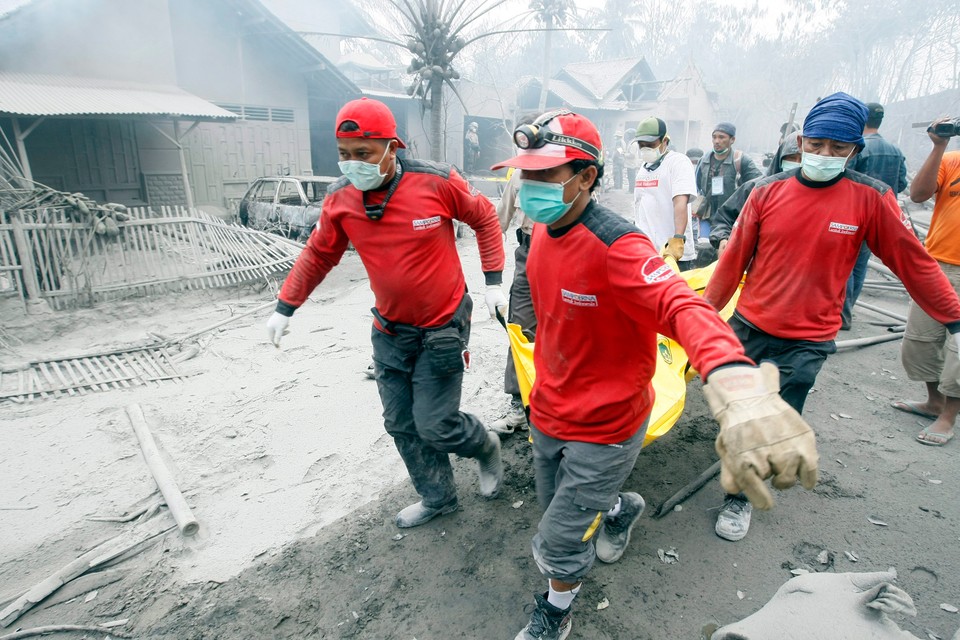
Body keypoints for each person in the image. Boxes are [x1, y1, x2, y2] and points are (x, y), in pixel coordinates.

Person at [492, 109, 820, 640]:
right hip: (550, 410)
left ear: (587, 177)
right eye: (524, 174)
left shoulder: (620, 247)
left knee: (556, 539)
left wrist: (734, 379)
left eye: (544, 175)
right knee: (559, 504)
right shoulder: (542, 236)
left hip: (608, 422)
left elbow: (681, 308)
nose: (528, 187)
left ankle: (556, 611)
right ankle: (620, 507)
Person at [704, 92, 960, 542]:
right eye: (817, 145)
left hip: (810, 335)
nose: (825, 155)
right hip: (751, 324)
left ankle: (740, 496)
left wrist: (954, 319)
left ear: (854, 149)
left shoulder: (871, 198)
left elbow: (913, 262)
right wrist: (703, 321)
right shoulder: (767, 191)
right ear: (802, 140)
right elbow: (732, 262)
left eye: (838, 149)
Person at [265, 97, 508, 529]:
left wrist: (493, 282)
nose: (352, 163)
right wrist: (286, 306)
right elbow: (319, 255)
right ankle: (439, 497)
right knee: (400, 423)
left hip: (443, 326)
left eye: (364, 154)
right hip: (390, 330)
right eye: (344, 154)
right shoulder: (341, 200)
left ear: (392, 148)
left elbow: (486, 218)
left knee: (435, 424)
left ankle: (484, 444)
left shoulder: (436, 181)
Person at [893, 117, 960, 446]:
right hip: (936, 266)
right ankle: (933, 401)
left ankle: (948, 417)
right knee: (918, 341)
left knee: (958, 351)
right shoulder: (950, 160)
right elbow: (918, 194)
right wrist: (939, 146)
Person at [491, 113, 540, 434]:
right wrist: (491, 280)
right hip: (528, 254)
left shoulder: (572, 173)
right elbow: (498, 224)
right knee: (520, 328)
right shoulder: (518, 176)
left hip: (566, 253)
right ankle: (519, 404)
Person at [840, 102, 909, 330]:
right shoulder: (896, 150)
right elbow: (901, 184)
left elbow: (844, 181)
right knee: (861, 264)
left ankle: (843, 313)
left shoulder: (858, 149)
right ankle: (849, 308)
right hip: (881, 217)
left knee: (845, 265)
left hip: (852, 215)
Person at [708, 134, 803, 255]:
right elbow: (724, 218)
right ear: (779, 159)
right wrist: (723, 239)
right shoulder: (756, 189)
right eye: (791, 158)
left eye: (801, 158)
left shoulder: (820, 195)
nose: (796, 163)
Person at [631, 116, 697, 270]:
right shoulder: (643, 168)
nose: (645, 148)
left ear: (665, 141)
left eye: (650, 144)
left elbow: (680, 201)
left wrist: (678, 239)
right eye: (642, 145)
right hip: (648, 253)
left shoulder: (678, 162)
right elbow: (640, 205)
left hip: (673, 255)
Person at [695, 121, 762, 239]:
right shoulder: (704, 161)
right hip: (707, 216)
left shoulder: (741, 160)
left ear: (732, 140)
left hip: (731, 218)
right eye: (714, 137)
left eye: (722, 137)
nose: (717, 141)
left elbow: (759, 184)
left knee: (726, 251)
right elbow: (696, 185)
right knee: (703, 248)